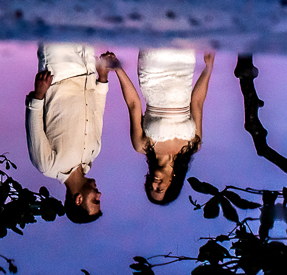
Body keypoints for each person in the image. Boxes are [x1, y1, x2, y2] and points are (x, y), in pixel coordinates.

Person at [104, 49, 215, 205]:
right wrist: (208, 68)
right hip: (182, 72)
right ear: (173, 184)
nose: (154, 184)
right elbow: (197, 103)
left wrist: (118, 69)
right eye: (159, 189)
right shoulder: (193, 145)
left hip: (152, 74)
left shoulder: (142, 146)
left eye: (150, 187)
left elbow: (134, 105)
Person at [25, 43, 114, 223]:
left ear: (78, 199)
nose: (99, 194)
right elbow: (97, 113)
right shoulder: (93, 153)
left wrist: (38, 95)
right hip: (88, 70)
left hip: (59, 71)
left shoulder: (48, 166)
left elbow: (33, 125)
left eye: (95, 200)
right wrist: (103, 78)